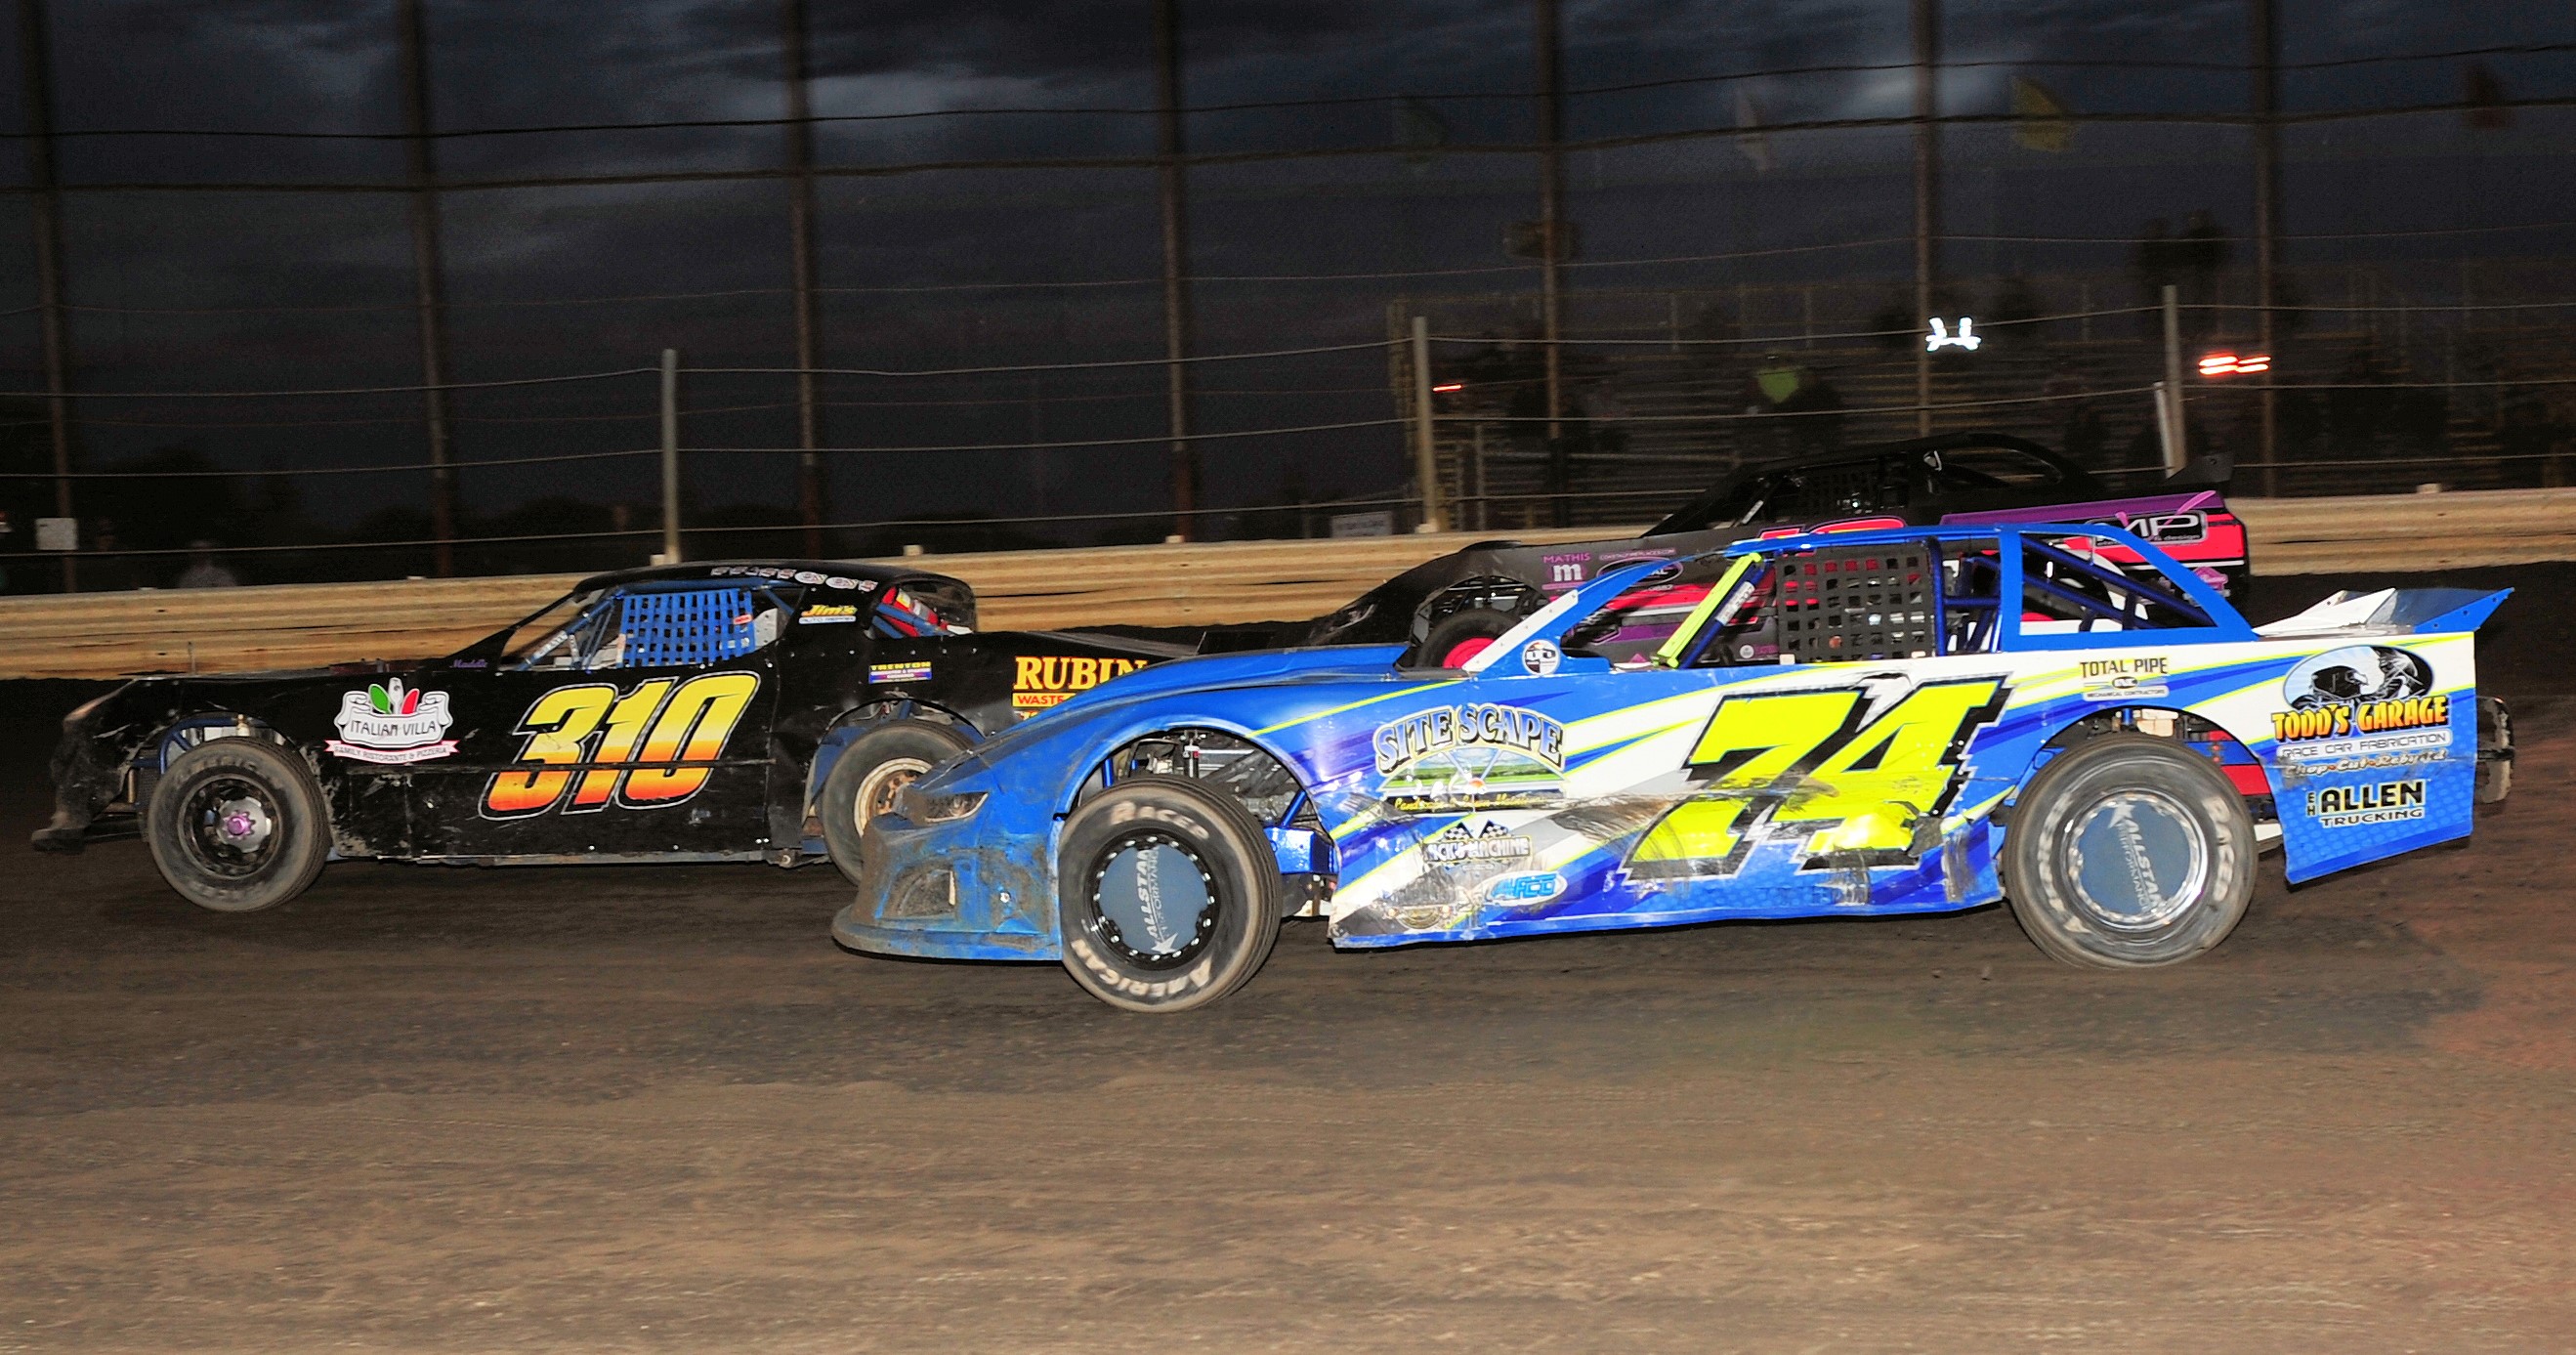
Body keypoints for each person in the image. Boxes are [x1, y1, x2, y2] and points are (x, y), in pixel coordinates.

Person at [177, 540, 241, 589]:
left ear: (209, 552)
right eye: (196, 551)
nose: (200, 554)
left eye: (203, 550)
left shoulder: (221, 575)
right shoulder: (186, 577)